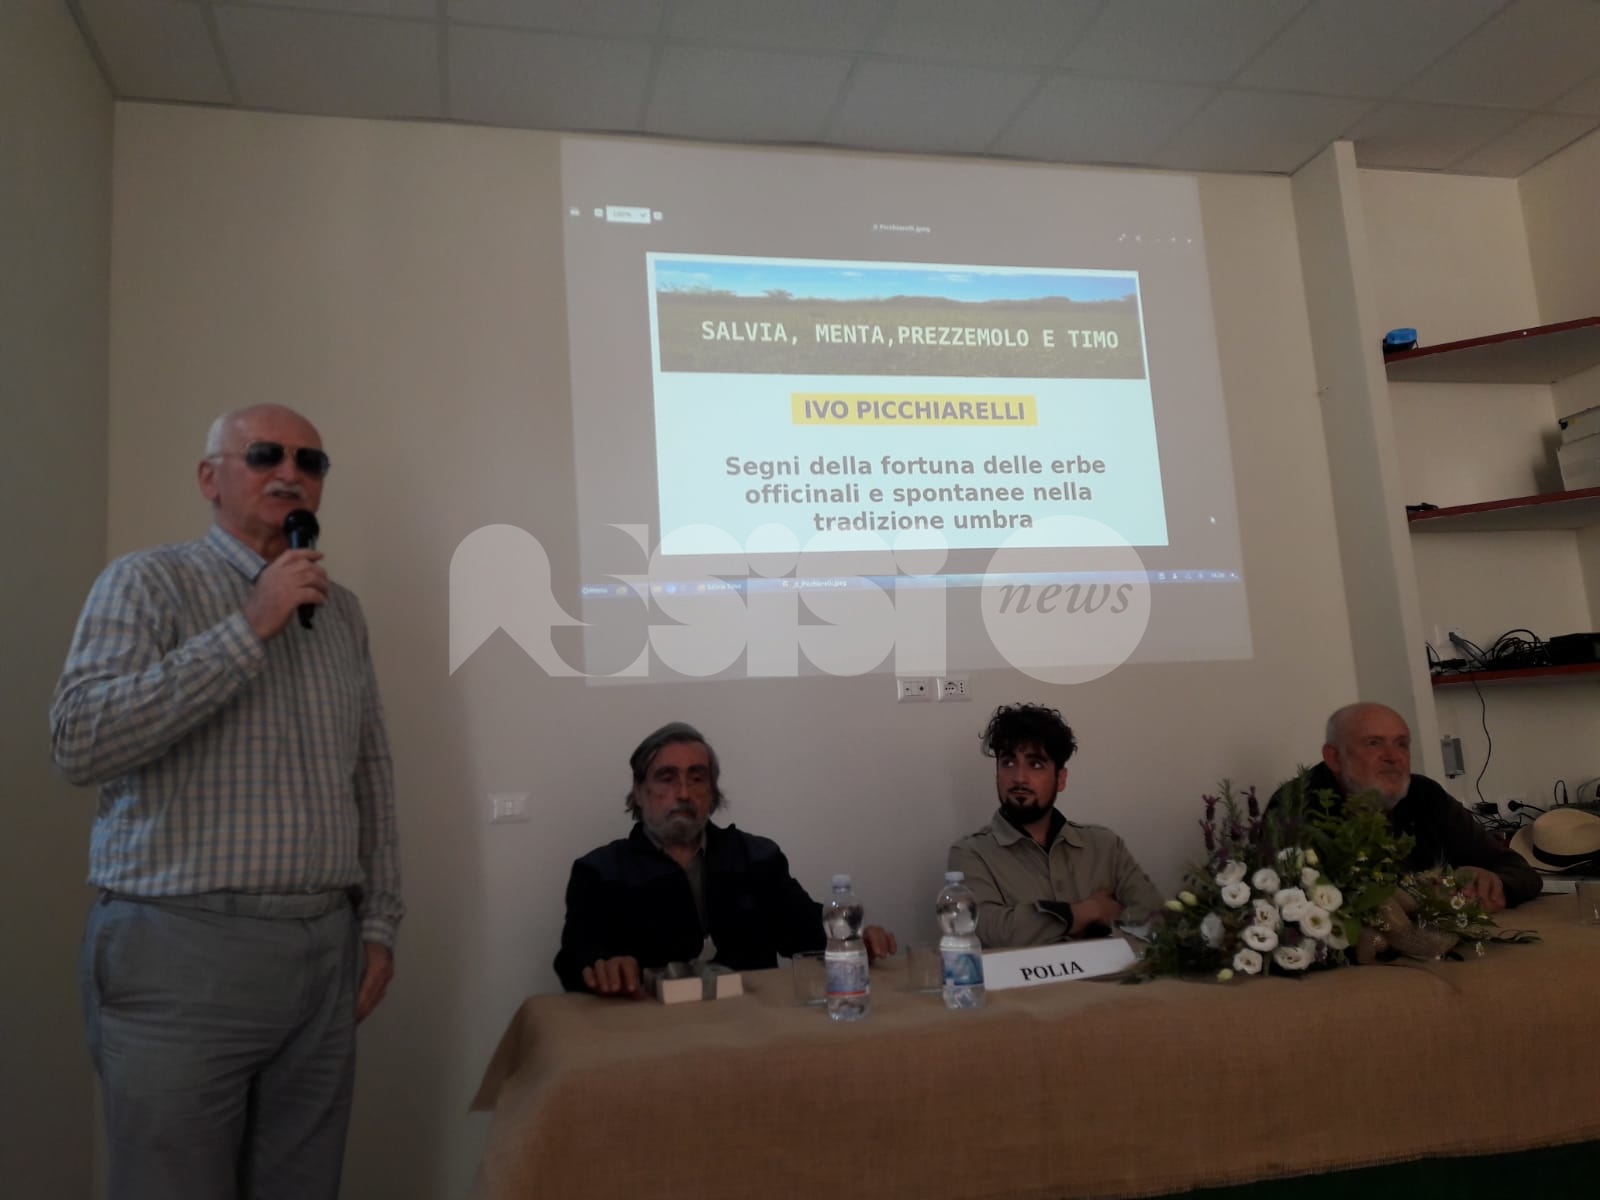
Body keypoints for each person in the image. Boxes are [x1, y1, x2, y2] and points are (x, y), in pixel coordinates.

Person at [51, 404, 403, 1200]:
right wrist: (249, 626)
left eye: (310, 462)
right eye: (265, 455)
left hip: (324, 951)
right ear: (211, 478)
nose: (290, 473)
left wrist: (378, 923)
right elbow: (79, 742)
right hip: (180, 950)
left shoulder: (340, 610)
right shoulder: (148, 581)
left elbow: (371, 773)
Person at [555, 721, 896, 996]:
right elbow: (574, 960)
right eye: (667, 779)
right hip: (650, 1027)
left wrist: (851, 938)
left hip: (751, 1023)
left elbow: (804, 931)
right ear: (639, 792)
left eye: (697, 778)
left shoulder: (756, 857)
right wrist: (600, 967)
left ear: (712, 792)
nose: (683, 793)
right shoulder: (599, 872)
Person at [1276, 702, 1538, 911]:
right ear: (1334, 757)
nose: (1392, 756)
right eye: (1374, 743)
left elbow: (1520, 871)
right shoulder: (1297, 807)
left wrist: (1496, 883)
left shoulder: (1424, 794)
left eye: (1401, 744)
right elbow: (1302, 904)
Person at [948, 703, 1163, 948]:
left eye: (1035, 764)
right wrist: (1090, 911)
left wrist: (1043, 926)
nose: (1019, 777)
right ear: (997, 774)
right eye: (1008, 763)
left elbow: (1155, 917)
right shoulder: (971, 853)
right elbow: (989, 929)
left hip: (1111, 974)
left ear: (1060, 779)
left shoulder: (1105, 846)